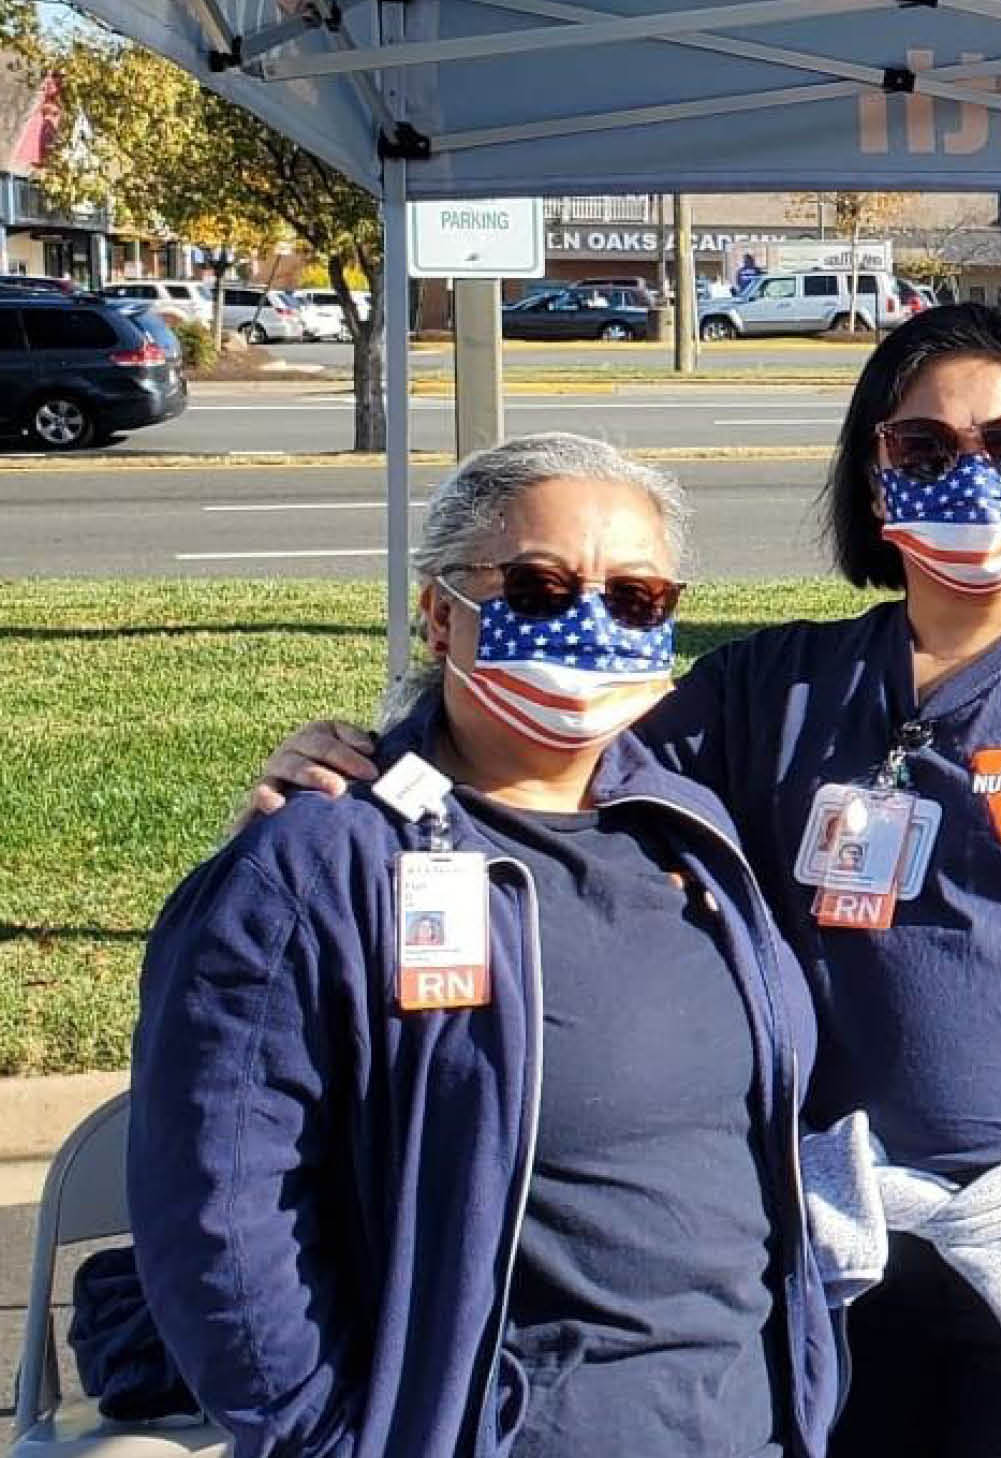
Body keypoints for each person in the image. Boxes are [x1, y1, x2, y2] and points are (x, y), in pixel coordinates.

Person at [242, 308, 1001, 1458]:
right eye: (925, 447)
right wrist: (378, 761)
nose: (974, 472)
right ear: (872, 475)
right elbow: (546, 747)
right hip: (829, 1257)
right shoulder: (774, 689)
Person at [137, 434, 843, 1458]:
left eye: (636, 598)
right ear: (436, 613)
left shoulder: (687, 825)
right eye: (539, 586)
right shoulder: (321, 863)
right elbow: (219, 1218)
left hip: (747, 1426)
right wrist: (328, 1442)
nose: (591, 624)